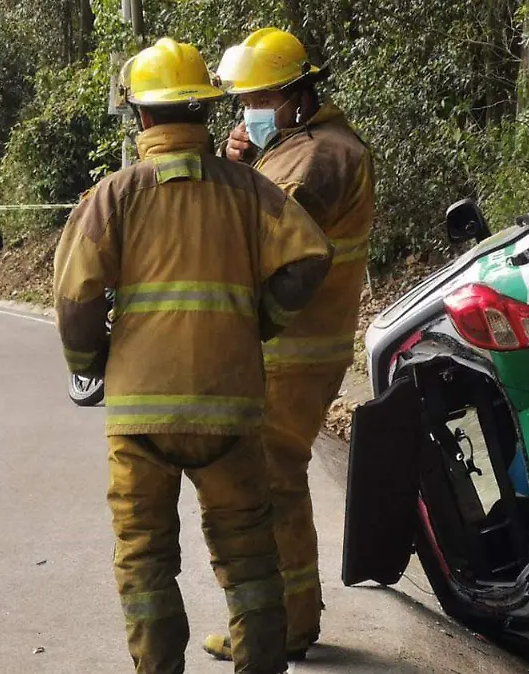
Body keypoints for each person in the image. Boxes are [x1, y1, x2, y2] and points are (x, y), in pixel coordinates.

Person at [52, 37, 333, 674]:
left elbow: (75, 296)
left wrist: (87, 364)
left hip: (139, 417)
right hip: (228, 409)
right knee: (249, 559)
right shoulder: (249, 190)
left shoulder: (112, 196)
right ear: (205, 114)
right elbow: (310, 256)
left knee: (145, 558)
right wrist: (260, 321)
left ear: (142, 118)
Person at [204, 27, 376, 662]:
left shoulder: (319, 157)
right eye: (244, 99)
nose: (249, 109)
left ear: (298, 95)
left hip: (294, 350)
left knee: (266, 482)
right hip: (287, 347)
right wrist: (247, 162)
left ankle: (282, 626)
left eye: (261, 97)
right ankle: (288, 619)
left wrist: (237, 177)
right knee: (274, 480)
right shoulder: (296, 145)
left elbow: (255, 239)